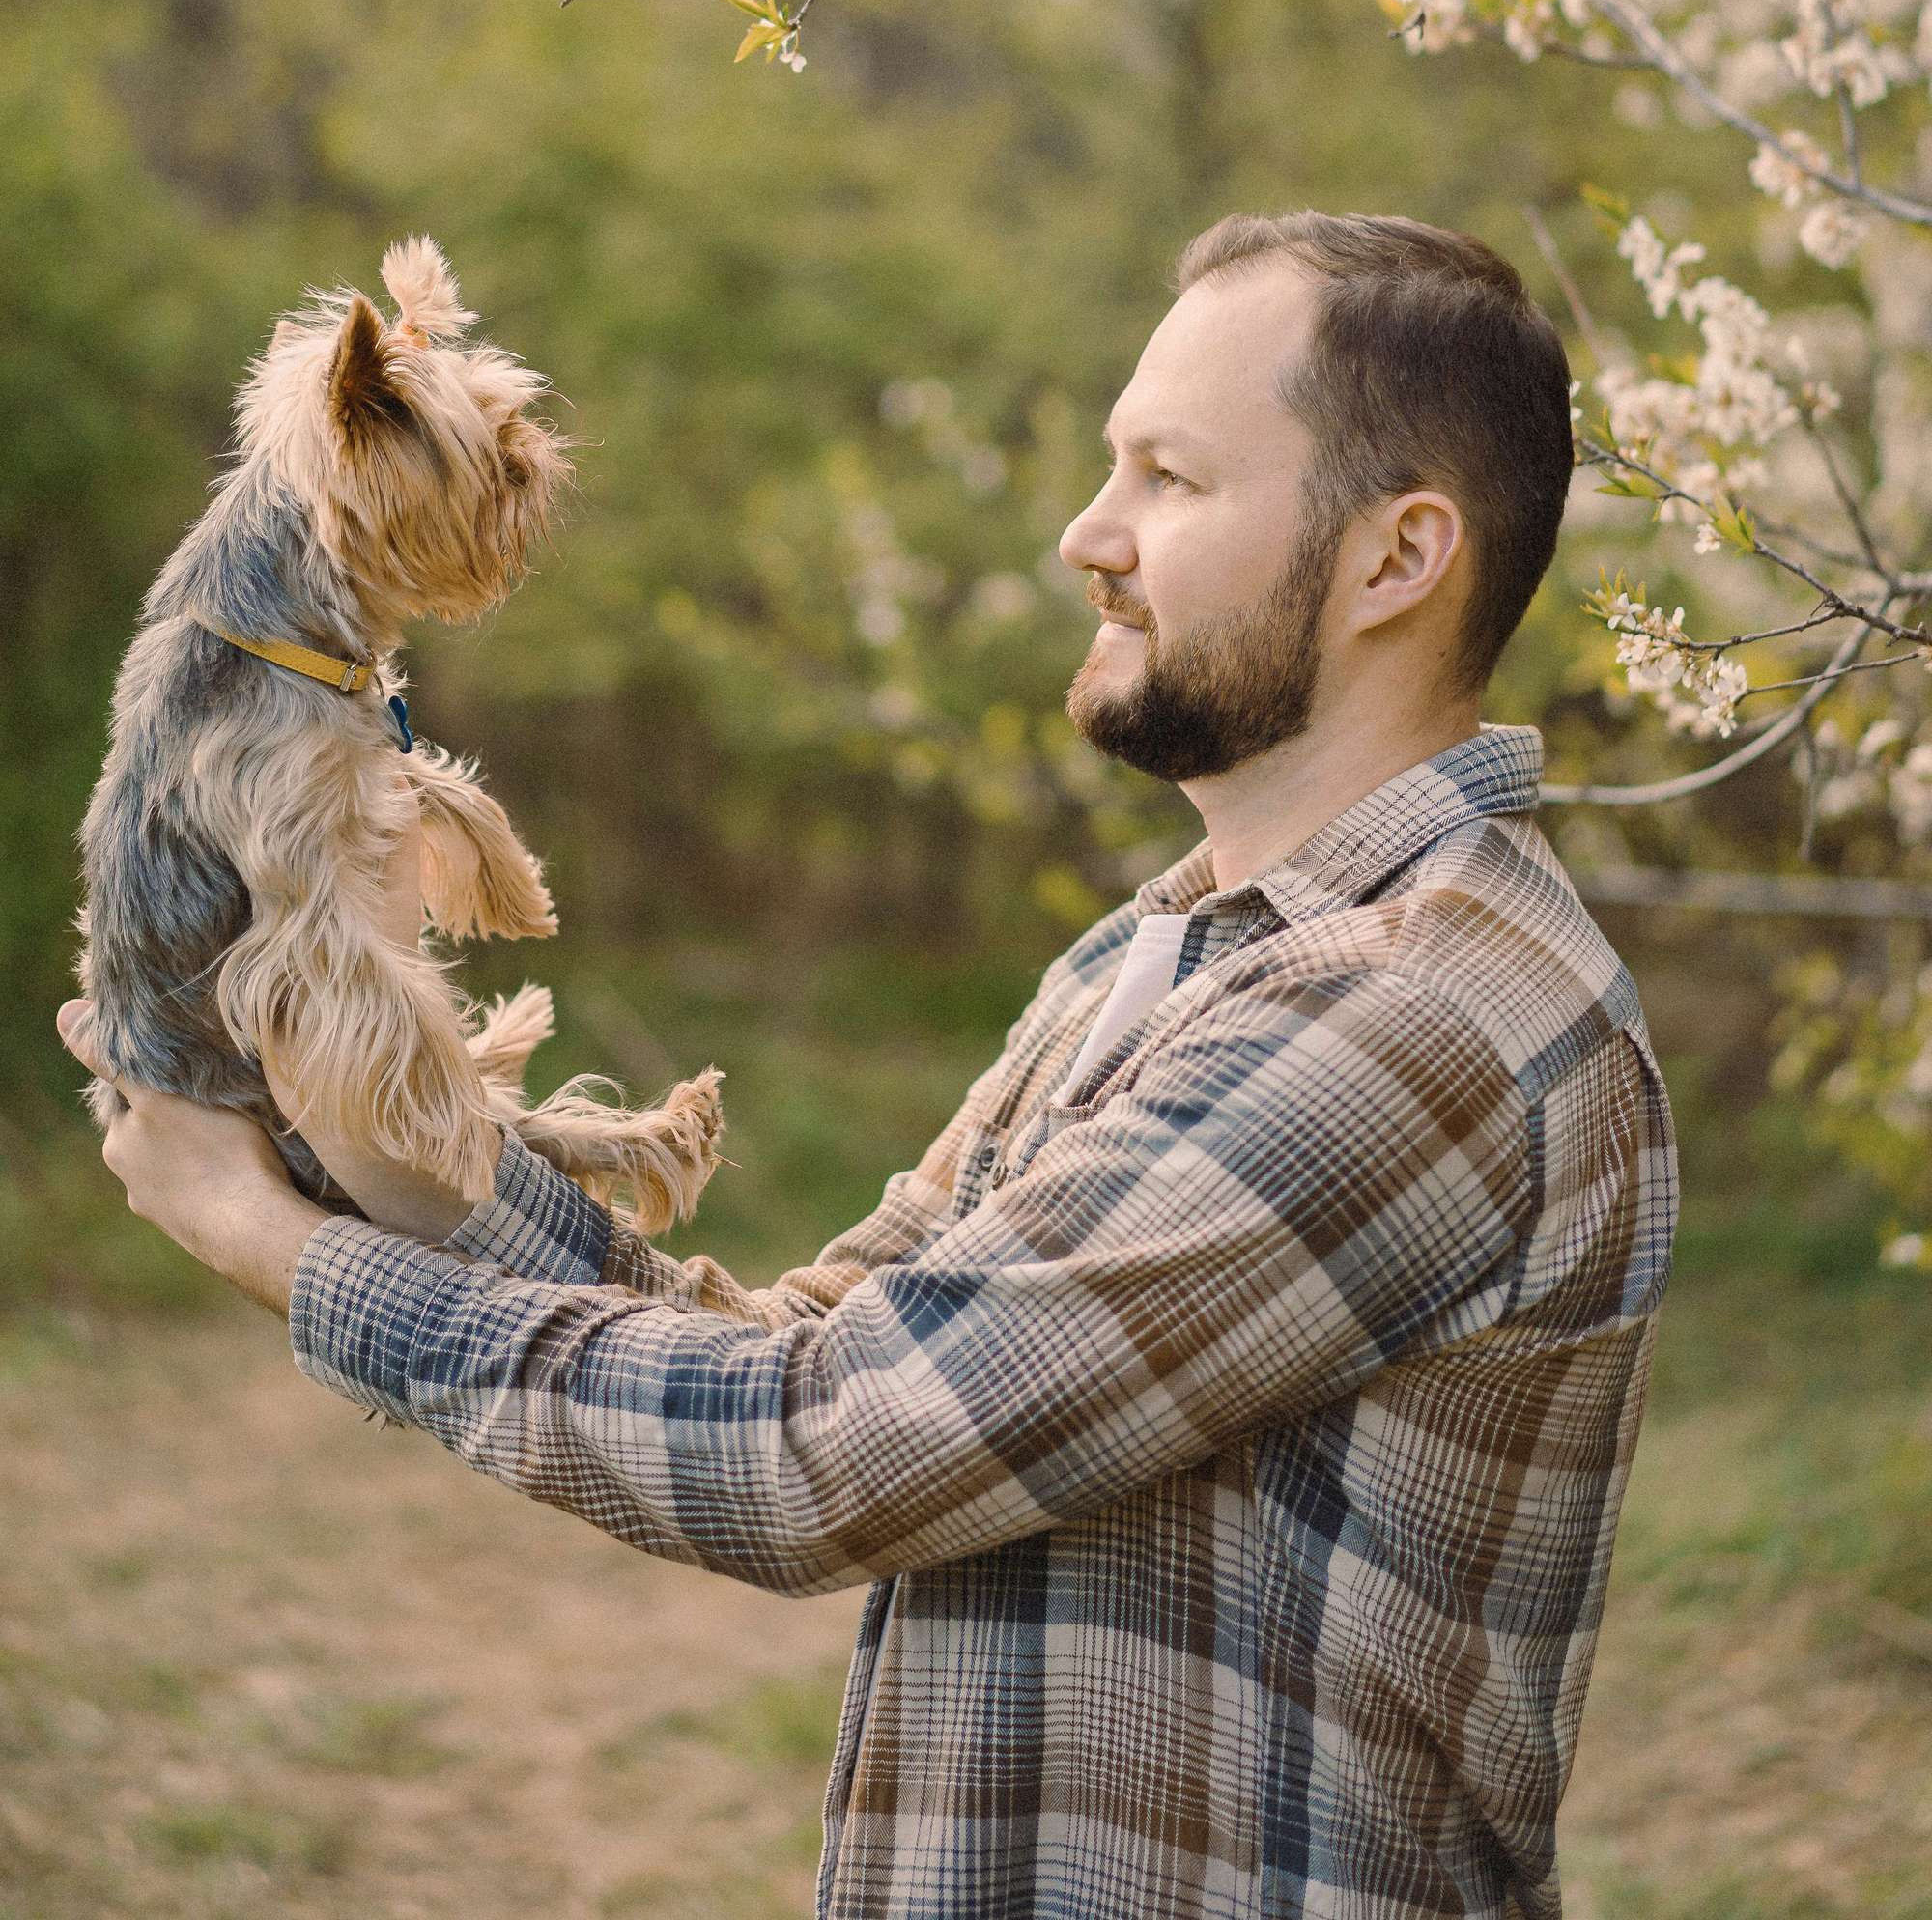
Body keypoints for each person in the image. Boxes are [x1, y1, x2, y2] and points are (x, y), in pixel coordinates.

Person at [60, 208, 1677, 1920]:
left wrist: (276, 1249)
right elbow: (814, 1348)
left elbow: (817, 1450)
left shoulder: (1410, 1022)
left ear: (1392, 561)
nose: (1086, 533)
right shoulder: (1173, 950)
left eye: (1170, 480)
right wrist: (383, 1149)